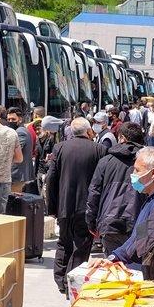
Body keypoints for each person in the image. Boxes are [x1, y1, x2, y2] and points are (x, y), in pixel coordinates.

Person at [44, 117, 105, 293]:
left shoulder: (60, 147)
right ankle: (71, 280)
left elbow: (51, 178)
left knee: (63, 242)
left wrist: (52, 206)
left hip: (64, 204)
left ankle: (60, 278)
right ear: (88, 132)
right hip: (86, 206)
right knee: (82, 245)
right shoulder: (99, 149)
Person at [109, 147, 154, 270]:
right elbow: (138, 235)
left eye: (137, 170)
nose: (133, 175)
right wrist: (114, 257)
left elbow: (145, 243)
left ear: (153, 173)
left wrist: (122, 261)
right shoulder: (153, 198)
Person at [86, 122, 144, 255]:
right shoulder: (147, 160)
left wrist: (91, 222)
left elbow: (94, 194)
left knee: (114, 269)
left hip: (110, 223)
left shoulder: (105, 161)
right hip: (139, 223)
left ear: (122, 138)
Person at [7, 108, 35, 195]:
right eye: (9, 119)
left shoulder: (20, 132)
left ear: (20, 119)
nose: (10, 121)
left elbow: (13, 151)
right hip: (18, 174)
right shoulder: (19, 131)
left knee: (14, 200)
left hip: (17, 174)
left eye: (13, 119)